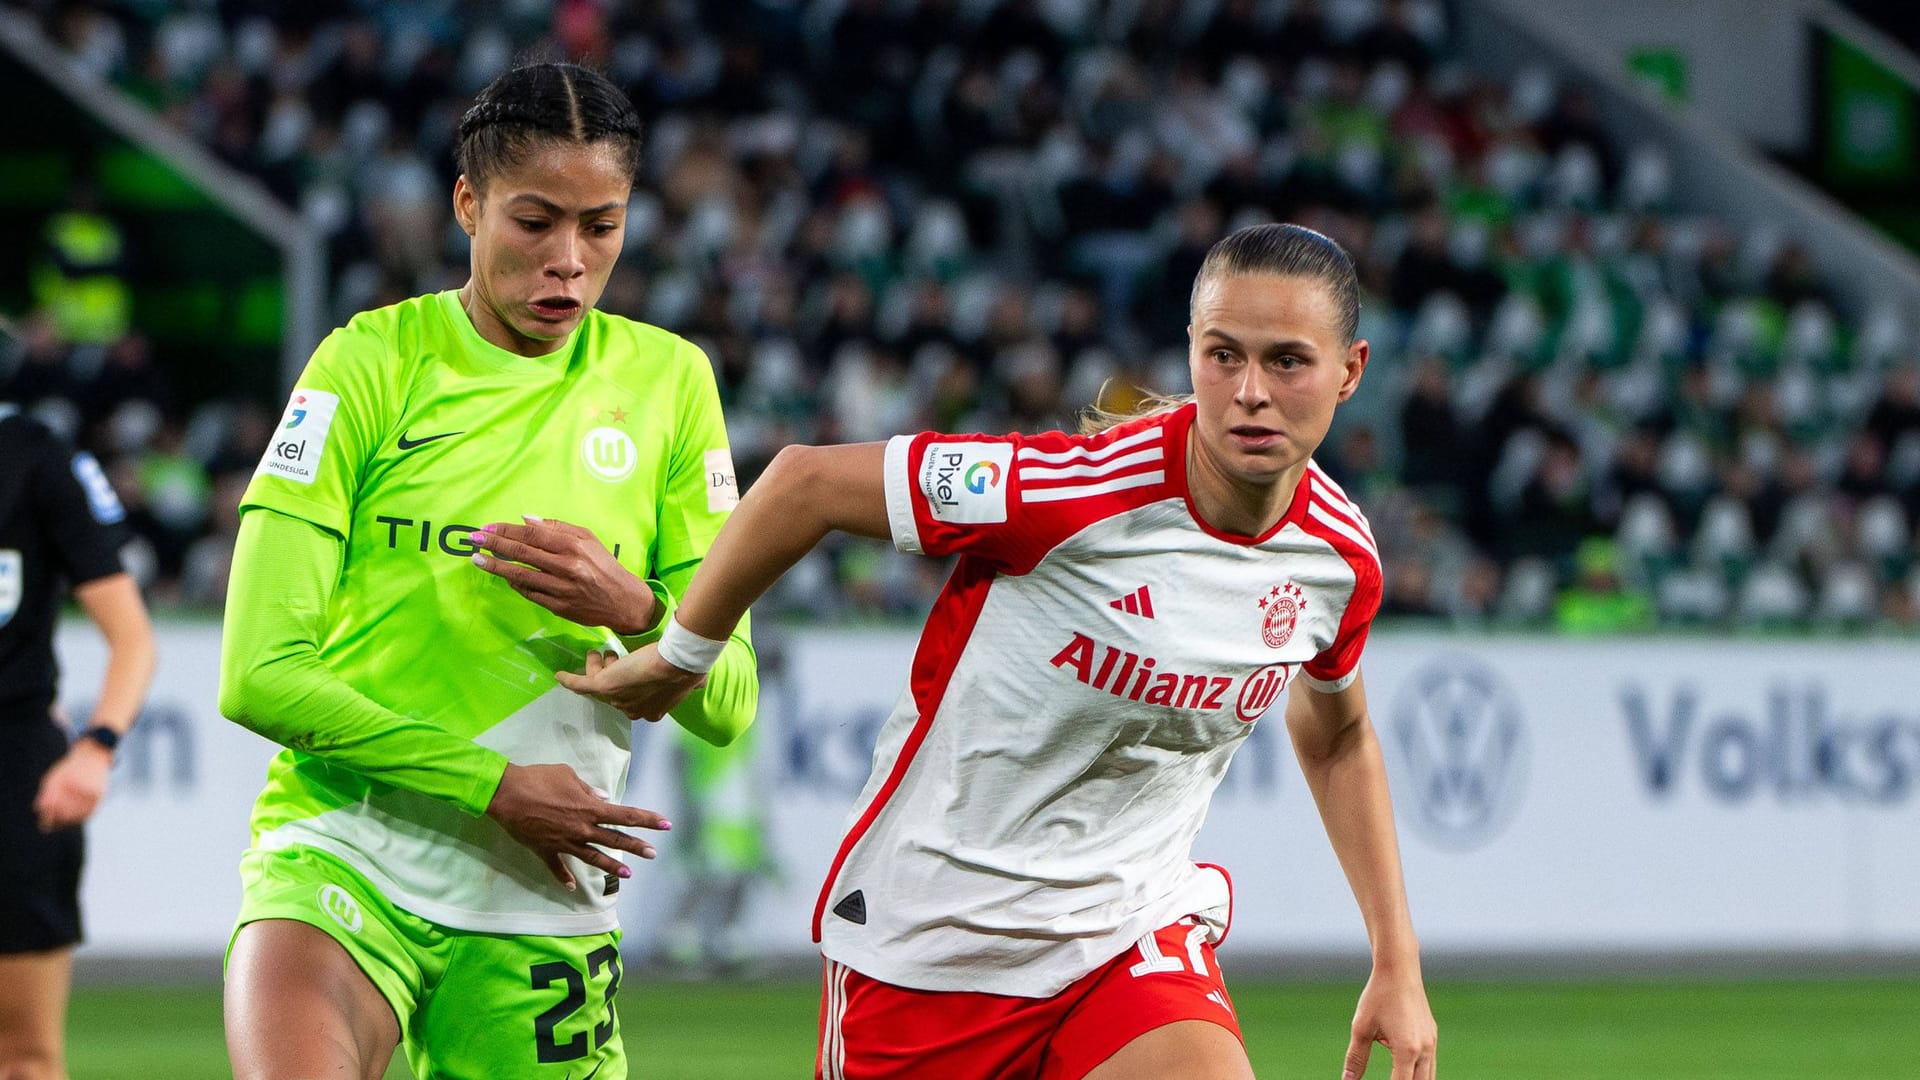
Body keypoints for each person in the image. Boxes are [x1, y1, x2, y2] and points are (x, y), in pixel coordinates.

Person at [562, 223, 1439, 1079]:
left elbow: (1337, 735)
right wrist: (682, 654)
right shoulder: (1064, 492)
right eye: (1224, 354)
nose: (1251, 390)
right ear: (1189, 354)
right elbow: (803, 483)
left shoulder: (1336, 557)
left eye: (1288, 360)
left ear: (1350, 371)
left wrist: (1396, 960)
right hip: (929, 948)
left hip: (1127, 934)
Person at [217, 63, 758, 1080]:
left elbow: (727, 702)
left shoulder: (670, 384)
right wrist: (490, 784)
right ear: (467, 204)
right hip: (345, 849)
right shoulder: (367, 364)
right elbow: (256, 672)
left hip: (542, 902)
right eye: (535, 221)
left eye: (601, 227)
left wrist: (643, 612)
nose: (568, 262)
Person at [0, 405, 156, 1080]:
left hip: (13, 769)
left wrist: (95, 748)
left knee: (25, 1055)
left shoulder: (33, 454)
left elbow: (133, 638)